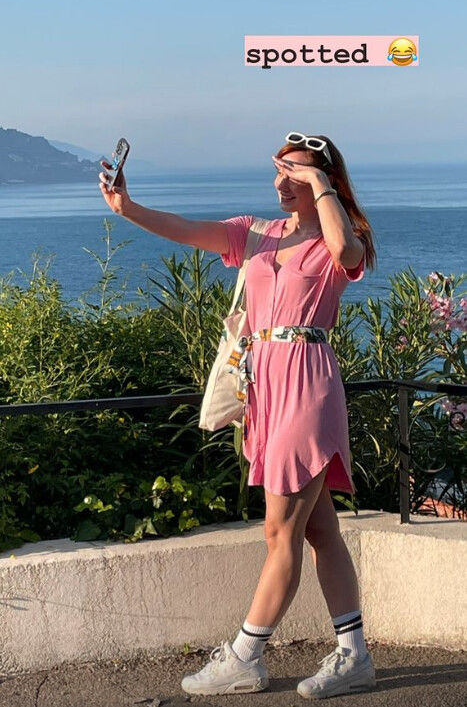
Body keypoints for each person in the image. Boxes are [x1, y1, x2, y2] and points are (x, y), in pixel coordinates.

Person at [99, 133, 378, 699]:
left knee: (280, 531)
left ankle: (246, 656)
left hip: (307, 382)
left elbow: (347, 253)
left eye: (293, 175)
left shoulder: (337, 238)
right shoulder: (257, 233)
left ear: (321, 180)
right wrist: (127, 208)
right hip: (265, 388)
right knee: (319, 529)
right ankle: (354, 656)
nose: (281, 184)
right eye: (278, 172)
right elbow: (186, 229)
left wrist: (319, 182)